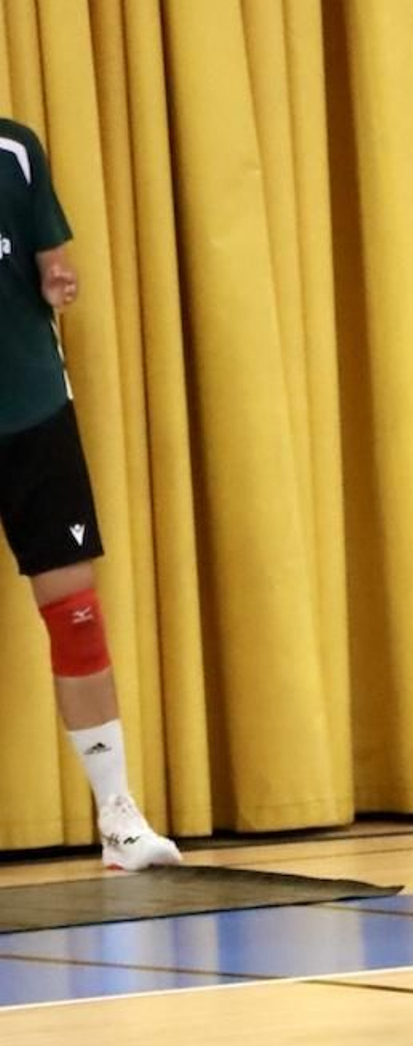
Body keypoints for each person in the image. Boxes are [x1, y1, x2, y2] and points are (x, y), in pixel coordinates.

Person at [1, 117, 181, 872]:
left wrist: (58, 280)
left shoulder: (15, 151)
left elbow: (52, 261)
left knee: (75, 612)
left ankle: (118, 819)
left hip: (33, 411)